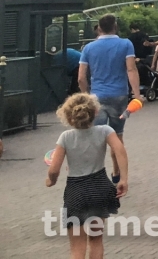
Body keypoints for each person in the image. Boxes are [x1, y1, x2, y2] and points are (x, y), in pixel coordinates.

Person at [46, 93, 128, 259]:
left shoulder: (65, 137)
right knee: (96, 240)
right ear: (95, 112)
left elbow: (54, 169)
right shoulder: (105, 131)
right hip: (100, 187)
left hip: (76, 191)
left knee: (77, 247)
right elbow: (119, 150)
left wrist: (50, 180)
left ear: (69, 117)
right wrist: (123, 179)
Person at [78, 14, 141, 185]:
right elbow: (131, 69)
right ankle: (117, 172)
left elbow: (81, 78)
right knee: (117, 136)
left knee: (96, 137)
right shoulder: (126, 44)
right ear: (115, 26)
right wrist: (136, 95)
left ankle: (95, 175)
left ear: (99, 28)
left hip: (97, 96)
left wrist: (87, 96)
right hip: (119, 95)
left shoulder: (88, 48)